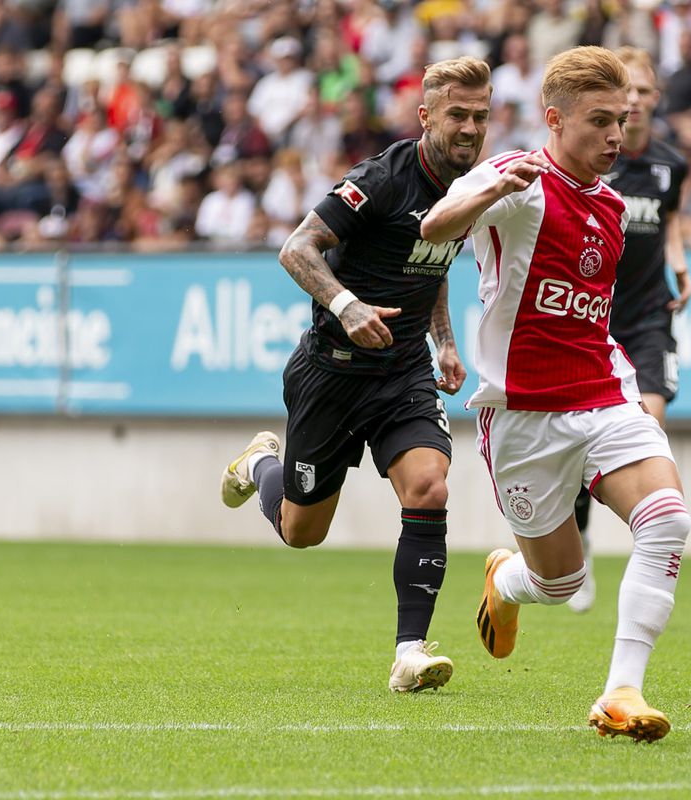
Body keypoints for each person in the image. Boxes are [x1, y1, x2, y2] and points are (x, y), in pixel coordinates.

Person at [421, 45, 691, 743]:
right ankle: (507, 580)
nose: (616, 136)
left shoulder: (609, 203)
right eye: (599, 121)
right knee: (560, 583)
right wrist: (491, 191)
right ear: (554, 119)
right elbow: (435, 225)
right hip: (522, 417)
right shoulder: (518, 181)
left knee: (666, 518)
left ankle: (621, 693)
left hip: (602, 392)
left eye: (622, 120)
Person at [218, 56, 491, 694]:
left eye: (480, 116)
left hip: (402, 374)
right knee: (301, 532)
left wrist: (444, 342)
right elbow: (297, 248)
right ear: (426, 116)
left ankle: (410, 652)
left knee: (429, 486)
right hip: (332, 375)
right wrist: (346, 305)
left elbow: (432, 262)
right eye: (458, 114)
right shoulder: (381, 179)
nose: (471, 128)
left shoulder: (470, 186)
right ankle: (262, 463)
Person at [567, 46, 691, 615]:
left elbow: (669, 222)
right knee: (583, 444)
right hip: (595, 320)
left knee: (650, 419)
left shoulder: (671, 165)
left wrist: (680, 262)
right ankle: (581, 539)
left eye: (643, 92)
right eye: (628, 94)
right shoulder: (596, 161)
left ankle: (648, 541)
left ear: (654, 99)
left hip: (648, 316)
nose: (635, 102)